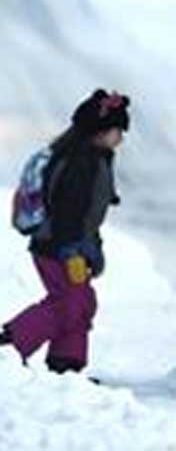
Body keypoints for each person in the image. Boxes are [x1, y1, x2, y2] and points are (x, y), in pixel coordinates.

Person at [1, 89, 130, 374]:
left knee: (81, 302)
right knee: (70, 304)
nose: (120, 137)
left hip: (72, 244)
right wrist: (71, 250)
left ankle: (66, 365)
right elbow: (69, 211)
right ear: (98, 131)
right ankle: (9, 344)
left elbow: (89, 216)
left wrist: (92, 248)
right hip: (56, 246)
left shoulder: (96, 158)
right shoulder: (79, 162)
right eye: (116, 130)